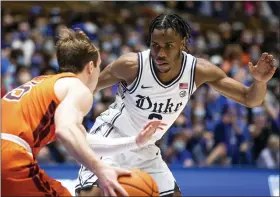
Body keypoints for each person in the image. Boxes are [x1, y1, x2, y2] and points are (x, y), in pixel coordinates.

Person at [76, 14, 277, 197]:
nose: (160, 53)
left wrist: (260, 81)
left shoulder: (197, 70)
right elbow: (87, 89)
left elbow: (251, 99)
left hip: (145, 147)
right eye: (155, 45)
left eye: (168, 45)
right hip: (112, 138)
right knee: (91, 195)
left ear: (182, 43)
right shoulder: (132, 65)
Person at [1, 28, 165, 197]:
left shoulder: (42, 83)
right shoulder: (78, 88)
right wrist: (99, 168)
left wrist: (134, 142)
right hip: (9, 154)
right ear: (91, 67)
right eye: (100, 66)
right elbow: (66, 130)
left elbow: (82, 142)